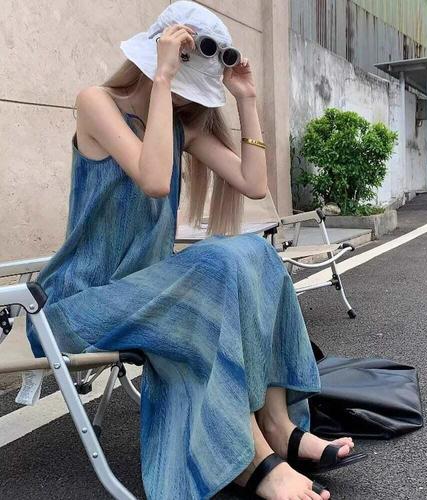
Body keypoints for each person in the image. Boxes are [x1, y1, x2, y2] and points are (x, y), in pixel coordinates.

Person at [25, 2, 364, 498]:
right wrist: (163, 78)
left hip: (148, 294)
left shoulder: (179, 126)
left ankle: (277, 424)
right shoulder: (96, 102)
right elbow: (154, 179)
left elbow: (253, 184)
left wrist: (246, 99)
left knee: (256, 253)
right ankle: (251, 458)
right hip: (78, 303)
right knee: (215, 265)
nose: (187, 98)